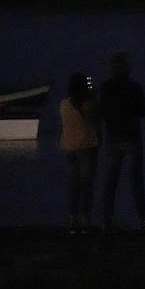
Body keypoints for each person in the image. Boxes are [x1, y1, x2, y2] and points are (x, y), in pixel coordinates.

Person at [99, 51, 145, 230]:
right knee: (136, 180)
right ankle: (144, 219)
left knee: (111, 182)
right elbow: (144, 111)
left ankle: (107, 220)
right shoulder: (135, 88)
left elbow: (102, 112)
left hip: (113, 138)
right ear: (127, 68)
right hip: (131, 137)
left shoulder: (105, 87)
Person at [59, 73, 99, 234]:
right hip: (87, 147)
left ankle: (72, 219)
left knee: (73, 185)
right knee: (86, 186)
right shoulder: (89, 104)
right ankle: (85, 220)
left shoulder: (63, 104)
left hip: (69, 147)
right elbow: (97, 118)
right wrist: (92, 95)